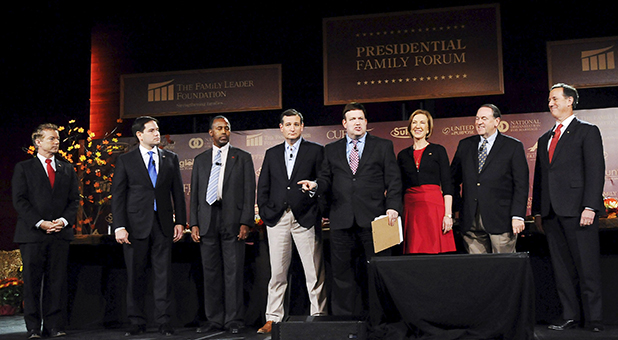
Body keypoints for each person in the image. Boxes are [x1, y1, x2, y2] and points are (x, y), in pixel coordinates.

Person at [298, 102, 402, 317]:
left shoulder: (383, 146)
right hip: (341, 219)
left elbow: (394, 180)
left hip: (375, 220)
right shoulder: (332, 149)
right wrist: (315, 185)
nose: (357, 122)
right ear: (344, 124)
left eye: (361, 118)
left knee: (377, 271)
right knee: (342, 274)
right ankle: (345, 321)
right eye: (352, 119)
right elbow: (325, 179)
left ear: (366, 122)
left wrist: (393, 206)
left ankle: (380, 320)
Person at [532, 83, 605, 332]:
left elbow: (596, 172)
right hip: (552, 213)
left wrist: (590, 206)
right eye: (549, 99)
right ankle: (570, 316)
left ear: (570, 101)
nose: (550, 103)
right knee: (562, 270)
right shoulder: (545, 138)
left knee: (587, 268)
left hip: (578, 211)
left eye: (555, 98)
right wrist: (538, 211)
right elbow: (540, 178)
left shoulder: (587, 131)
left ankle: (593, 319)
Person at [111, 116, 186, 336]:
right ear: (139, 135)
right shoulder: (126, 160)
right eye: (152, 130)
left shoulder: (170, 158)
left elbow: (178, 193)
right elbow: (118, 196)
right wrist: (119, 226)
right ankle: (136, 321)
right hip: (135, 226)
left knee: (163, 275)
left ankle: (164, 321)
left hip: (163, 224)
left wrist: (180, 221)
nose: (157, 133)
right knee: (135, 274)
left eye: (157, 129)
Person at [256, 109, 327, 334]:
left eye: (296, 124)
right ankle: (273, 318)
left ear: (302, 126)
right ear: (281, 127)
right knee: (277, 273)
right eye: (288, 124)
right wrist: (267, 212)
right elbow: (263, 186)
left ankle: (318, 316)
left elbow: (323, 180)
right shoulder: (272, 153)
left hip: (304, 218)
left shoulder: (315, 151)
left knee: (313, 273)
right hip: (277, 219)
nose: (292, 128)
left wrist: (314, 193)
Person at [12, 123, 79, 339]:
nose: (56, 142)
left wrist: (61, 221)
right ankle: (33, 328)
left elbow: (74, 201)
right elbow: (19, 201)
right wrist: (40, 222)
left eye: (57, 138)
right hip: (32, 234)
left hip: (60, 233)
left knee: (56, 282)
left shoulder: (67, 168)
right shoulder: (24, 168)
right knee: (32, 282)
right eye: (52, 138)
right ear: (38, 142)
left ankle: (54, 326)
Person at [190, 115, 255, 334]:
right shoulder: (200, 159)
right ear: (211, 133)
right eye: (219, 128)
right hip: (207, 221)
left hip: (233, 221)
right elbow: (196, 194)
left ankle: (234, 320)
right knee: (210, 273)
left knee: (233, 272)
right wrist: (194, 223)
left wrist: (246, 221)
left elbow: (249, 192)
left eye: (227, 128)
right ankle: (214, 319)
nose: (224, 131)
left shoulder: (243, 158)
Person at [451, 104, 528, 253]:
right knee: (480, 271)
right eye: (477, 118)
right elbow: (452, 179)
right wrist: (457, 207)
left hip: (501, 220)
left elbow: (521, 185)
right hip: (471, 221)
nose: (479, 122)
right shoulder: (465, 145)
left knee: (504, 270)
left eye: (484, 118)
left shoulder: (513, 146)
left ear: (496, 122)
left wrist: (518, 215)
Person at [397, 109, 456, 254]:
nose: (418, 126)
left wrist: (448, 215)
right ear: (410, 127)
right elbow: (399, 187)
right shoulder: (402, 155)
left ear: (428, 128)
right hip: (411, 209)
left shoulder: (438, 150)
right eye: (414, 122)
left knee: (436, 253)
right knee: (414, 252)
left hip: (434, 207)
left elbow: (447, 185)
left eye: (422, 122)